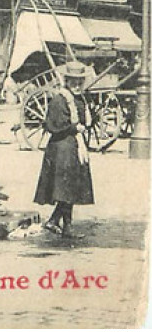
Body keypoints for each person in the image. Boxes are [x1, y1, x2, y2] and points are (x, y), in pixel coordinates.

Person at [34, 60, 94, 236]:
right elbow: (54, 125)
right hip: (61, 149)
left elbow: (85, 120)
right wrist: (74, 128)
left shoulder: (79, 99)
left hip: (74, 146)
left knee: (71, 188)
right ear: (66, 81)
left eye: (80, 82)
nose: (76, 85)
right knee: (66, 189)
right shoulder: (59, 100)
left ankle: (55, 221)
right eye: (73, 81)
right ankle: (66, 226)